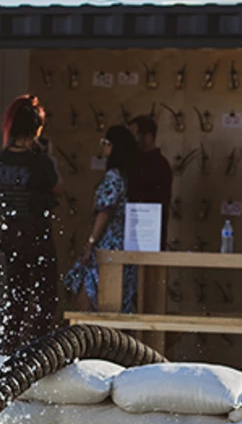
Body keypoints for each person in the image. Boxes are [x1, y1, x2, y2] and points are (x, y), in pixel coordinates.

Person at [0, 94, 62, 352]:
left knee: (16, 297)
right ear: (37, 128)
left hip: (11, 236)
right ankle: (36, 351)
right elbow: (58, 189)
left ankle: (8, 350)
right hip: (38, 236)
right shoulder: (39, 161)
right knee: (45, 298)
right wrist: (48, 157)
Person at [64, 124, 138, 312]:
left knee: (87, 295)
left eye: (105, 143)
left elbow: (104, 214)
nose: (102, 147)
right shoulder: (126, 176)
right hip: (120, 243)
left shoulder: (113, 176)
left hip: (108, 243)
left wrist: (90, 243)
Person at [127, 113, 171, 249]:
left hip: (149, 235)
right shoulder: (133, 162)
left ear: (148, 138)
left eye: (134, 135)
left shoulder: (160, 165)